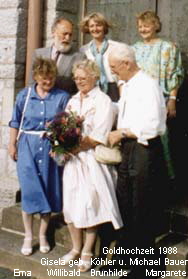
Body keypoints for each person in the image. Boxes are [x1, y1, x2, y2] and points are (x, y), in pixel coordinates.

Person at [102, 44, 167, 279]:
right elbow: (123, 110)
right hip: (129, 148)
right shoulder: (128, 85)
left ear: (127, 64)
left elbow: (155, 125)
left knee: (142, 206)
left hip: (144, 149)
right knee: (125, 203)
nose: (113, 73)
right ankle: (125, 257)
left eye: (114, 68)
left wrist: (122, 133)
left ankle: (147, 267)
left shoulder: (148, 85)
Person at [60, 59, 123, 272]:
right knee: (70, 203)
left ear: (94, 77)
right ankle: (76, 248)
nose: (79, 81)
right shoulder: (72, 100)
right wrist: (60, 144)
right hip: (73, 161)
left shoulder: (103, 101)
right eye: (76, 78)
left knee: (90, 205)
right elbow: (63, 126)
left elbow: (99, 135)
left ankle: (88, 251)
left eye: (83, 78)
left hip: (92, 160)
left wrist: (74, 147)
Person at [8, 57, 70, 256]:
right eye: (44, 79)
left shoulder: (62, 97)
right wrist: (11, 144)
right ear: (36, 77)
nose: (48, 82)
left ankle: (42, 235)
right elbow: (15, 121)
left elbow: (65, 125)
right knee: (29, 190)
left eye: (51, 78)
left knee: (47, 189)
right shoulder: (24, 96)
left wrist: (59, 146)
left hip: (50, 146)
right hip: (27, 145)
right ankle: (28, 235)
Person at [133, 10, 184, 177]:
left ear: (155, 26)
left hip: (159, 100)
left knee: (160, 139)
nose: (143, 29)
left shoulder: (167, 47)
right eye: (140, 26)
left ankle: (163, 182)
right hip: (137, 100)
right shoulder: (134, 48)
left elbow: (174, 74)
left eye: (146, 25)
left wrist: (172, 99)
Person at [28, 17, 85, 95]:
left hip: (64, 103)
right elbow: (32, 82)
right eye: (64, 34)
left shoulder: (79, 57)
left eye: (70, 35)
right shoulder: (39, 54)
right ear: (53, 32)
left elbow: (80, 87)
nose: (67, 38)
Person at [79, 12, 123, 102]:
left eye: (98, 25)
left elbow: (121, 75)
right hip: (92, 89)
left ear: (104, 27)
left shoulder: (116, 47)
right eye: (92, 26)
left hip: (112, 89)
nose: (95, 29)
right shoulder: (83, 50)